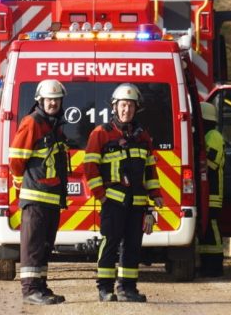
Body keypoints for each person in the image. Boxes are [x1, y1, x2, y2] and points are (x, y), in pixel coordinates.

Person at [84, 83, 163, 303]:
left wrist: (155, 193)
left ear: (136, 108)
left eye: (130, 105)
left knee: (133, 246)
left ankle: (128, 288)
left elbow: (150, 168)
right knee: (110, 243)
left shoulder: (142, 136)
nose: (126, 110)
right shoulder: (101, 134)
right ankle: (105, 288)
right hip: (113, 202)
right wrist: (101, 195)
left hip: (137, 202)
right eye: (122, 105)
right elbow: (89, 167)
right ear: (114, 107)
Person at [9, 79, 70, 305]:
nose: (53, 103)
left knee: (45, 245)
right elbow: (16, 158)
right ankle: (30, 290)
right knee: (33, 245)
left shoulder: (53, 124)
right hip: (35, 196)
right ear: (40, 100)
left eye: (56, 99)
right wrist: (19, 181)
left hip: (51, 197)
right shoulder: (33, 122)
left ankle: (41, 286)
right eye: (49, 99)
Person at [197, 102, 226, 277]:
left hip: (213, 191)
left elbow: (210, 162)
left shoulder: (213, 135)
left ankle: (215, 266)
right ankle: (207, 264)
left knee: (212, 226)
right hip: (207, 191)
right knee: (206, 229)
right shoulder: (207, 135)